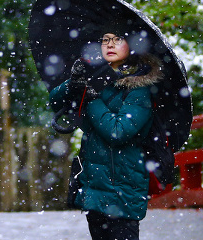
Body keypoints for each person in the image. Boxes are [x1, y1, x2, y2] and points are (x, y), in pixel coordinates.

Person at [49, 33, 163, 240]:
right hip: (95, 187)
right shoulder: (95, 75)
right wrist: (73, 84)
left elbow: (117, 132)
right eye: (105, 40)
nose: (110, 44)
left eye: (118, 39)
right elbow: (55, 102)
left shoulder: (140, 88)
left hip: (123, 189)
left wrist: (92, 100)